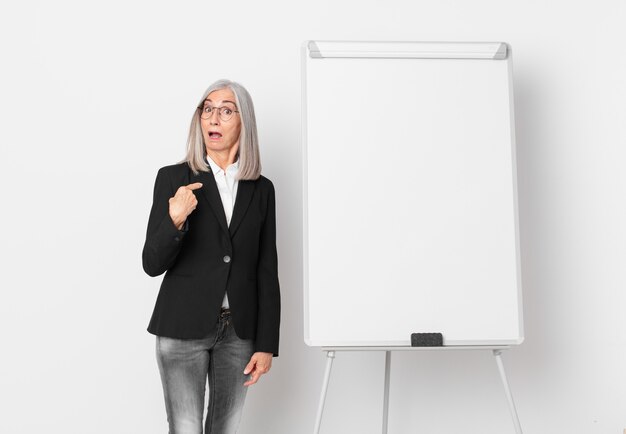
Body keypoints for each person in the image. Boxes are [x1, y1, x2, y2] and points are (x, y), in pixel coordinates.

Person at [142, 79, 280, 434]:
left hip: (239, 332)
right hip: (182, 328)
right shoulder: (174, 178)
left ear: (243, 122)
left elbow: (266, 269)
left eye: (226, 110)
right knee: (186, 428)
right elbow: (152, 263)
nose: (213, 118)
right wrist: (175, 218)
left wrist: (266, 344)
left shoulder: (261, 189)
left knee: (226, 428)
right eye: (208, 109)